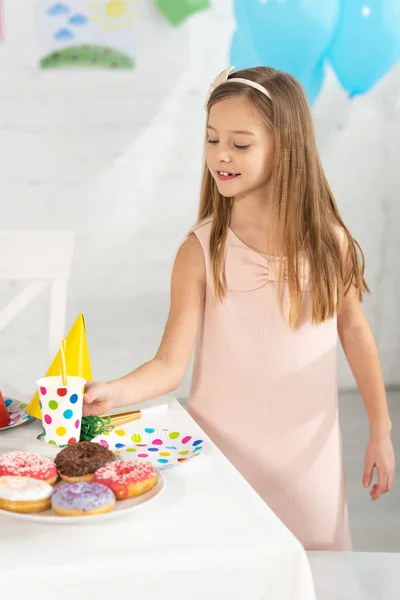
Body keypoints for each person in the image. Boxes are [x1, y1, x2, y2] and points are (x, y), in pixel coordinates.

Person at [83, 66, 395, 550]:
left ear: (285, 147)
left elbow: (354, 333)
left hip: (307, 461)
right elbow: (169, 365)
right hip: (222, 457)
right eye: (211, 140)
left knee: (314, 568)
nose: (220, 155)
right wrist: (114, 391)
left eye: (240, 144)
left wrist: (380, 429)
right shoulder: (200, 251)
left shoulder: (330, 244)